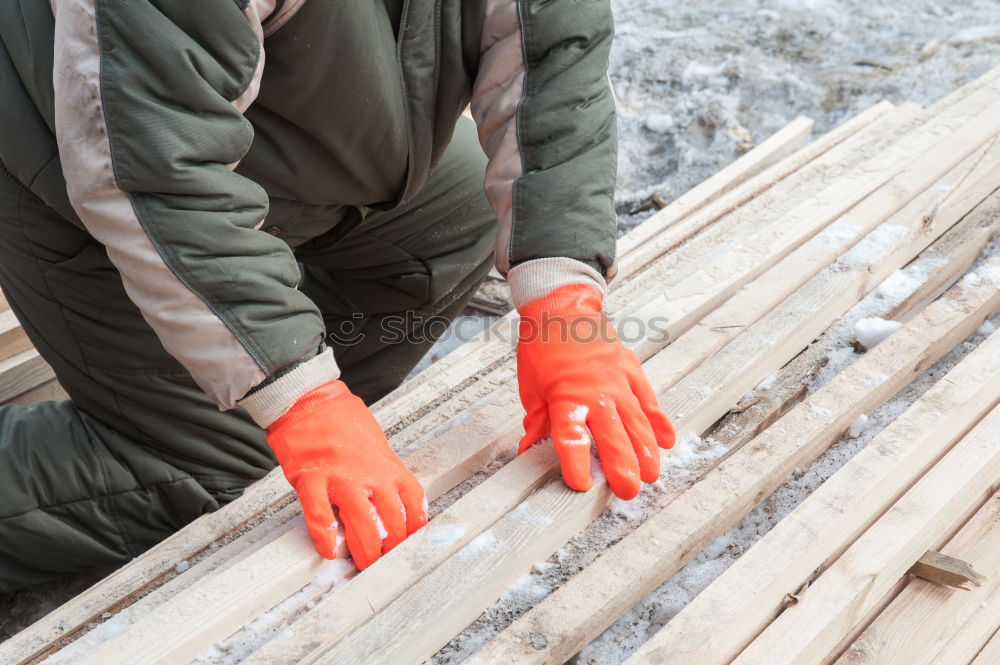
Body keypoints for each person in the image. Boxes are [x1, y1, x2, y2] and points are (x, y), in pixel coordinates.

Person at [0, 0, 675, 591]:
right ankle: (212, 430)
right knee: (216, 469)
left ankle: (267, 400)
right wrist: (301, 402)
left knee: (453, 222)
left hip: (289, 150)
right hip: (77, 159)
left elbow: (552, 41)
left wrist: (562, 302)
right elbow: (155, 171)